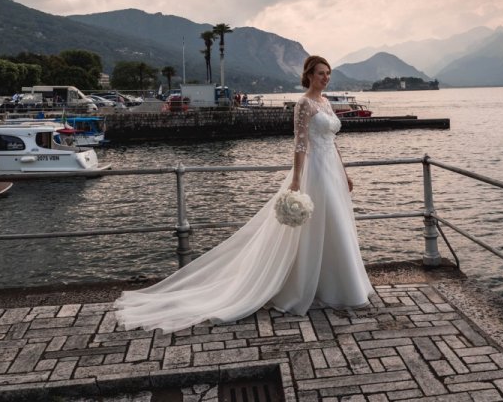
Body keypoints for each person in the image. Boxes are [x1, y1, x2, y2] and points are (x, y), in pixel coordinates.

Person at [115, 55, 373, 332]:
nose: (326, 78)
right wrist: (297, 180)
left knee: (337, 227)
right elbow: (300, 145)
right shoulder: (304, 104)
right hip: (315, 173)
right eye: (321, 73)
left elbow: (332, 143)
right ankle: (303, 287)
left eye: (328, 73)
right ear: (309, 76)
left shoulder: (326, 103)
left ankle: (337, 286)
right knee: (315, 227)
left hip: (332, 171)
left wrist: (344, 172)